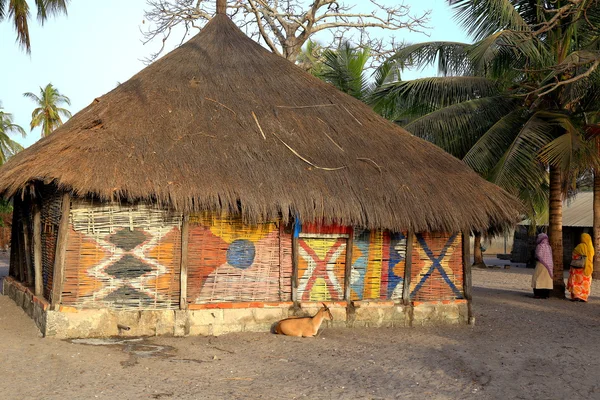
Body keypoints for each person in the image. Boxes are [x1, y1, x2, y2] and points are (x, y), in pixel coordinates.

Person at [567, 233, 594, 302]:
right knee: (585, 283)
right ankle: (583, 297)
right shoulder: (591, 248)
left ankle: (576, 296)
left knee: (576, 282)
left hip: (578, 268)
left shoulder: (580, 246)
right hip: (588, 268)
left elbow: (574, 255)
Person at [531, 233, 553, 299]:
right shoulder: (549, 247)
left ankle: (538, 294)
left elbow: (538, 255)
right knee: (546, 280)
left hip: (541, 264)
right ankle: (545, 294)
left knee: (537, 278)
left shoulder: (540, 246)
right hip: (549, 266)